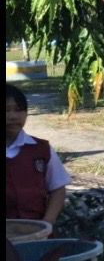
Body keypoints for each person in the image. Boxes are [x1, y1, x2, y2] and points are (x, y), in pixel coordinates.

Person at [6, 84, 70, 223]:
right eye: (6, 110)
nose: (13, 116)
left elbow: (58, 188)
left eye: (19, 110)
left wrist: (47, 222)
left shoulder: (41, 149)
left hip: (36, 231)